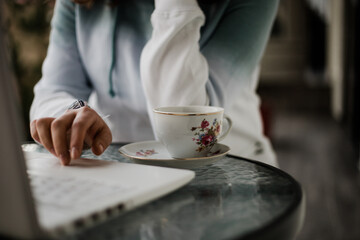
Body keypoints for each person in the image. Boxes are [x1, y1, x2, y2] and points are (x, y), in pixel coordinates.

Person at [30, 0, 279, 167]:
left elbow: (189, 134)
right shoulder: (79, 4)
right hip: (125, 171)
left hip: (228, 173)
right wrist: (70, 116)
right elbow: (54, 88)